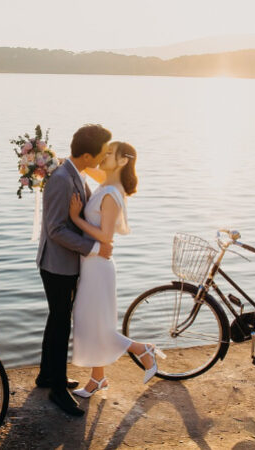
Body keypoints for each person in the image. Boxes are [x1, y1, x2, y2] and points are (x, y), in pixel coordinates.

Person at [68, 141, 165, 398]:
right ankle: (97, 379)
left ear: (123, 161)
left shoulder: (112, 194)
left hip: (99, 266)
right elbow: (87, 168)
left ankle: (142, 349)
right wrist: (58, 160)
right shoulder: (107, 183)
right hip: (91, 264)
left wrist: (77, 218)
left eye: (110, 153)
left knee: (96, 325)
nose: (104, 155)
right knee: (90, 322)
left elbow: (106, 237)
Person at [35, 124, 114, 417]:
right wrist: (93, 248)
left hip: (66, 263)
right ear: (87, 153)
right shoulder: (61, 179)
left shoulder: (75, 173)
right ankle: (57, 389)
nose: (105, 155)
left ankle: (47, 375)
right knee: (60, 324)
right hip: (57, 265)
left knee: (57, 320)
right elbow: (55, 229)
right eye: (103, 151)